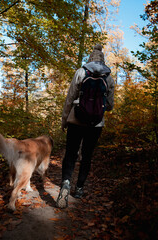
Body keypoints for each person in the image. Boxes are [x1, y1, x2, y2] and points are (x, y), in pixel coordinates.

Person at [56, 44, 114, 208]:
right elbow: (110, 105)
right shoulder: (108, 77)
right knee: (87, 155)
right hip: (96, 124)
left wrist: (64, 120)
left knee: (70, 154)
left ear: (89, 58)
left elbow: (69, 99)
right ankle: (79, 188)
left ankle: (66, 183)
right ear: (103, 60)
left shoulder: (81, 72)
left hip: (76, 119)